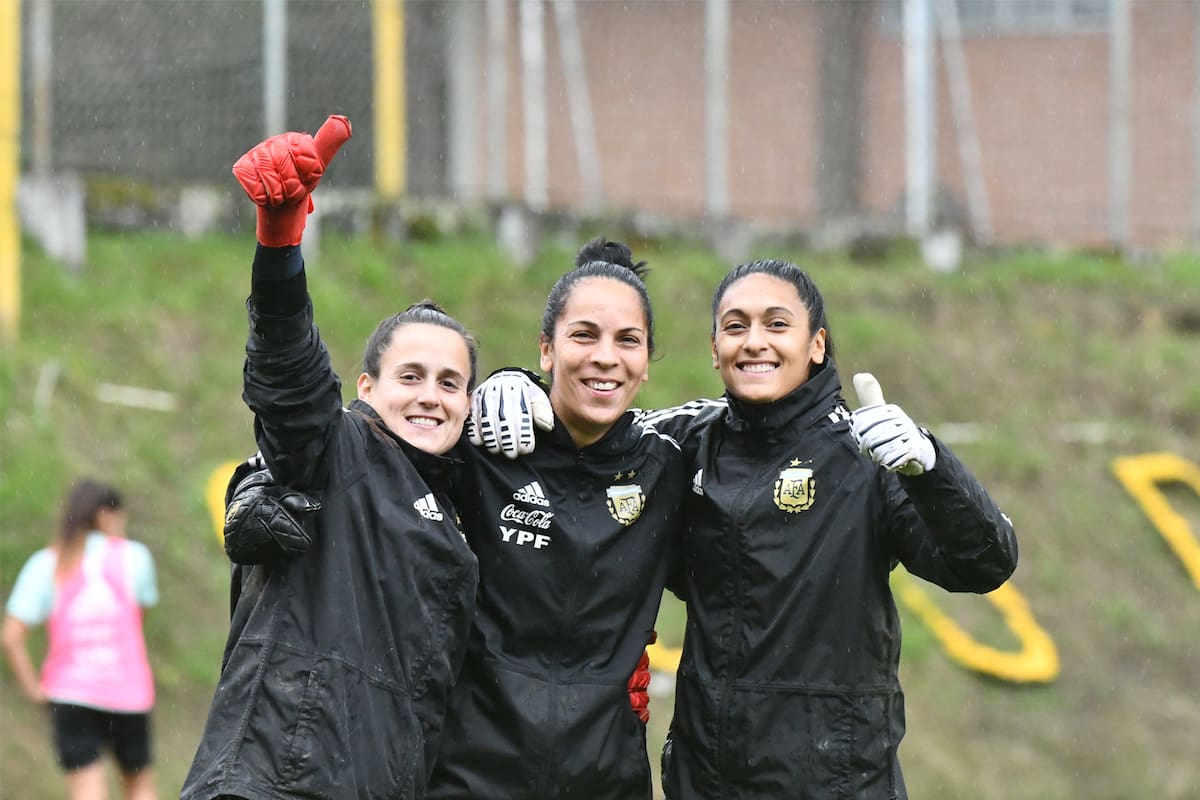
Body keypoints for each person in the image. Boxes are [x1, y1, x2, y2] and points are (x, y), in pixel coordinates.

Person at [475, 258, 1019, 799]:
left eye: (777, 325)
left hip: (836, 784)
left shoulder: (868, 455)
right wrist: (516, 386)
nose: (755, 341)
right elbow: (593, 425)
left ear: (817, 346)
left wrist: (932, 465)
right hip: (705, 782)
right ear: (715, 350)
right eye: (736, 326)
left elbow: (982, 563)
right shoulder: (682, 445)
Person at [224, 237, 690, 799]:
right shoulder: (479, 442)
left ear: (647, 362)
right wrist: (255, 481)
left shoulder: (671, 463)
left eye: (628, 341)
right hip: (465, 779)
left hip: (605, 781)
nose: (605, 356)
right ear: (547, 348)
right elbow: (339, 449)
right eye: (584, 335)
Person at [180, 115, 480, 800]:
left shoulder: (462, 516)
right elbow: (290, 381)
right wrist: (279, 245)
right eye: (411, 376)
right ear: (366, 389)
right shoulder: (338, 453)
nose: (430, 397)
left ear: (470, 404)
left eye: (449, 382)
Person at [2, 479, 160, 800]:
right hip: (128, 691)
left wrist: (35, 689)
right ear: (104, 516)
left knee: (87, 789)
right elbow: (139, 615)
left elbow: (11, 637)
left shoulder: (47, 563)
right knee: (140, 786)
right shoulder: (135, 557)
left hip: (70, 692)